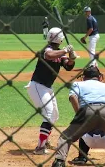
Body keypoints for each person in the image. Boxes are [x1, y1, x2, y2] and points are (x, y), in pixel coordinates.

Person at [51, 66, 105, 167]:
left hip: (87, 111)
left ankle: (59, 162)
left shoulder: (78, 84)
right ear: (99, 77)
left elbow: (73, 97)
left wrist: (78, 112)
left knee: (66, 136)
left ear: (84, 77)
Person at [25, 27, 77, 155]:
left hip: (47, 87)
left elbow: (68, 67)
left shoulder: (60, 52)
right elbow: (49, 55)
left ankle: (45, 141)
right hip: (37, 85)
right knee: (48, 114)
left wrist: (72, 58)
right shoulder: (46, 50)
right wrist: (65, 50)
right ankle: (40, 148)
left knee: (54, 115)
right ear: (60, 39)